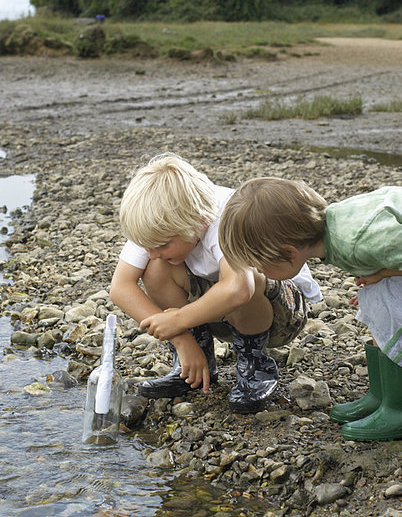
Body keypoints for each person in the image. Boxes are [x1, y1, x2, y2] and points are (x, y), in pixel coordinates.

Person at [110, 154, 322, 414]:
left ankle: (254, 366)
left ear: (196, 221)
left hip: (281, 313)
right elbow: (120, 287)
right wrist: (182, 339)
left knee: (246, 276)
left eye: (162, 244)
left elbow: (238, 289)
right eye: (148, 246)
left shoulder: (226, 213)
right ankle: (196, 365)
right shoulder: (154, 221)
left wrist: (177, 320)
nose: (152, 251)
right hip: (217, 314)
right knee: (154, 270)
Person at [219, 178, 402, 440]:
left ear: (289, 253)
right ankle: (381, 395)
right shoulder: (334, 234)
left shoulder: (355, 241)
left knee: (392, 317)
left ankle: (397, 408)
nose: (259, 273)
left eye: (260, 266)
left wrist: (383, 273)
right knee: (376, 307)